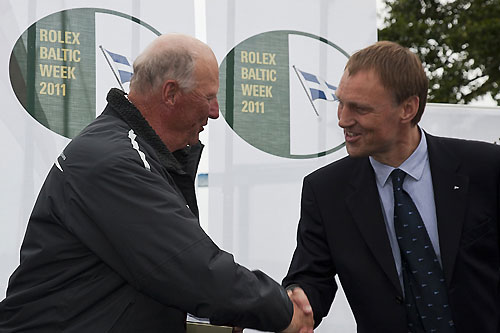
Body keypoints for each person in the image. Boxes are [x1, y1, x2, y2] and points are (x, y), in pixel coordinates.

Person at [0, 34, 313, 333]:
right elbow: (192, 270)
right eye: (209, 97)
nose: (215, 112)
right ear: (171, 93)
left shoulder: (133, 154)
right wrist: (283, 312)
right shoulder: (115, 161)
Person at [283, 40, 500, 332]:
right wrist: (298, 300)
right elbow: (312, 279)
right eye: (341, 103)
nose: (343, 120)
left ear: (408, 108)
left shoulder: (486, 167)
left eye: (359, 108)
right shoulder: (324, 191)